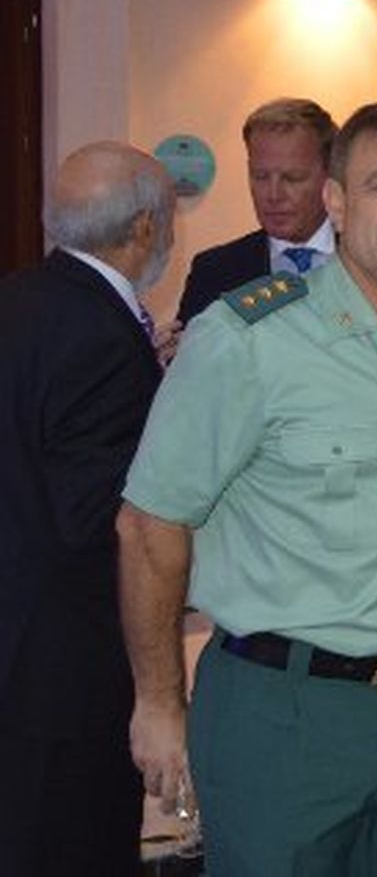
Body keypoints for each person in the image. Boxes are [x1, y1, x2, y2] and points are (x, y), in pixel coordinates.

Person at [117, 102, 377, 874]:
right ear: (337, 201)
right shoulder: (247, 339)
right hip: (283, 713)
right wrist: (159, 701)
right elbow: (149, 523)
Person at [0, 143, 175, 875]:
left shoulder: (18, 299)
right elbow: (97, 520)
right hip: (66, 678)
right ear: (144, 227)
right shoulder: (106, 338)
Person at [175, 97, 338, 325]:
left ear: (330, 177)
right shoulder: (215, 271)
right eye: (260, 177)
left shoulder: (371, 260)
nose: (273, 195)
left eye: (292, 178)